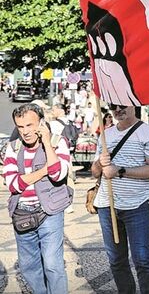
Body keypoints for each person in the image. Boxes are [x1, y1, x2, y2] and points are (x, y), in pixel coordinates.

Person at [91, 102, 149, 294]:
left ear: (133, 105)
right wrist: (99, 163)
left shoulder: (148, 133)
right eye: (113, 106)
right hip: (107, 205)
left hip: (136, 206)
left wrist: (120, 171)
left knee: (142, 259)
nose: (117, 110)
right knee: (116, 260)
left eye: (122, 105)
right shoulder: (105, 135)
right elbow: (95, 172)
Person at [3, 103, 73, 294]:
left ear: (41, 123)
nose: (25, 131)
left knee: (52, 265)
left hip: (50, 211)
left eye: (30, 125)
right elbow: (14, 185)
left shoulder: (58, 142)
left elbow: (58, 174)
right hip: (22, 213)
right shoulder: (13, 148)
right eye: (20, 126)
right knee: (28, 267)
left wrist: (47, 144)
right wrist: (43, 171)